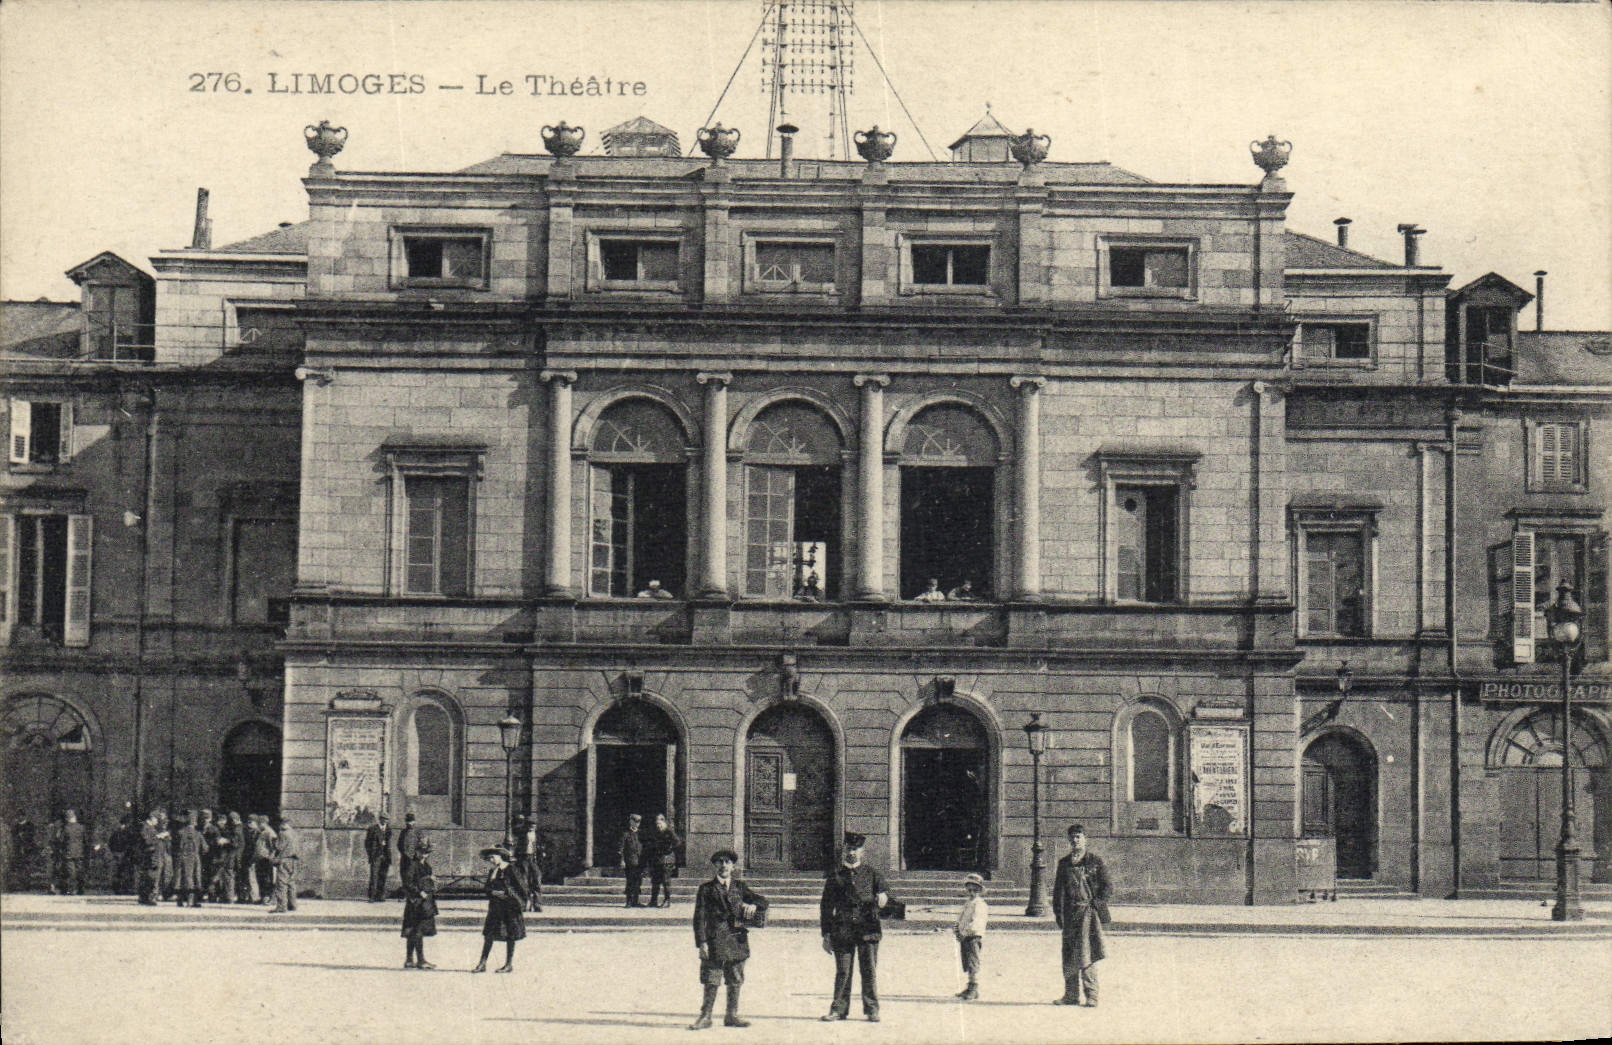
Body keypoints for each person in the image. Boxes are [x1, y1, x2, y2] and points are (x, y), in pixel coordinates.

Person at [689, 849, 769, 1030]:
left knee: (735, 977)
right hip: (714, 940)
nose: (724, 865)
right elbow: (699, 918)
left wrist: (753, 905)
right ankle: (706, 1016)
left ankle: (732, 1015)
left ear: (733, 866)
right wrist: (702, 943)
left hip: (736, 940)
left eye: (727, 862)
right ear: (715, 866)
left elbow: (763, 901)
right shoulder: (706, 889)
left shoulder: (740, 887)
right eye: (720, 862)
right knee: (711, 978)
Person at [819, 832, 889, 1022]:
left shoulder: (872, 874)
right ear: (844, 851)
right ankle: (838, 1009)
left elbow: (885, 895)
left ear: (862, 851)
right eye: (849, 849)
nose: (852, 853)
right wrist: (826, 934)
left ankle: (872, 1009)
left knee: (869, 970)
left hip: (867, 930)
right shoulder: (835, 877)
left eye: (856, 849)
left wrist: (883, 896)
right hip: (843, 930)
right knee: (843, 971)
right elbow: (826, 908)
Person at [1051, 823, 1111, 1007]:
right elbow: (1058, 891)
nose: (1075, 840)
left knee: (1087, 953)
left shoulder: (1095, 861)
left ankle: (1092, 995)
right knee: (1069, 953)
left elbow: (1107, 887)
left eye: (1079, 837)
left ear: (1085, 839)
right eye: (1072, 837)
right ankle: (1071, 995)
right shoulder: (1064, 863)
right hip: (1070, 913)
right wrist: (1058, 913)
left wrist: (1095, 905)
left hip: (1087, 913)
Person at [472, 844, 527, 973]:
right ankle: (482, 963)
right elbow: (487, 887)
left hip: (509, 908)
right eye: (489, 858)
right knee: (489, 935)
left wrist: (507, 894)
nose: (491, 860)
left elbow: (522, 888)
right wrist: (492, 892)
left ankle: (508, 964)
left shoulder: (511, 869)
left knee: (510, 935)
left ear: (500, 856)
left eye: (492, 857)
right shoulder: (493, 871)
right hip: (495, 908)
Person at [401, 839, 439, 970]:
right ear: (417, 852)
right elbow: (408, 883)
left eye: (426, 853)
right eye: (422, 852)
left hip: (424, 902)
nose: (424, 855)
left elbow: (424, 879)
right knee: (417, 930)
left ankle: (409, 960)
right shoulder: (413, 865)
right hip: (416, 902)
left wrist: (431, 879)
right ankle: (421, 961)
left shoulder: (426, 866)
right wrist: (419, 892)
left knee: (413, 930)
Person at [953, 873, 989, 1000]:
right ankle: (970, 986)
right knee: (967, 962)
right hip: (965, 936)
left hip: (973, 937)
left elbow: (976, 923)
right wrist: (957, 929)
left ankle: (974, 988)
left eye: (975, 890)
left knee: (973, 962)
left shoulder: (980, 905)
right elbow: (961, 918)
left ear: (980, 890)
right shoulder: (968, 903)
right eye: (969, 890)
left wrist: (965, 932)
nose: (972, 892)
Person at [646, 812, 681, 908]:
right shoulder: (656, 832)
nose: (658, 825)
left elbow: (677, 842)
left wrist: (669, 849)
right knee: (655, 881)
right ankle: (653, 901)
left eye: (660, 823)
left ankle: (667, 900)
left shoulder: (669, 831)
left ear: (664, 822)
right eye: (657, 823)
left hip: (667, 860)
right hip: (657, 860)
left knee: (666, 881)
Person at [174, 809, 207, 907]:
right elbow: (205, 848)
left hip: (181, 857)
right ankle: (191, 901)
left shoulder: (180, 833)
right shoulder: (198, 834)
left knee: (180, 877)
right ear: (195, 821)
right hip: (194, 857)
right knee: (194, 878)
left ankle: (180, 900)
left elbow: (175, 846)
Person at [513, 817, 544, 912]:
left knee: (537, 880)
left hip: (533, 859)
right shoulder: (522, 833)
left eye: (533, 826)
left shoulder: (538, 835)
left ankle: (537, 904)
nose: (532, 827)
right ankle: (523, 904)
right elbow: (515, 832)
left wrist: (541, 853)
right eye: (530, 825)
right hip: (523, 858)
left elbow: (541, 846)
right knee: (523, 881)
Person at [269, 815, 299, 913]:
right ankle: (292, 904)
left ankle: (281, 906)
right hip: (293, 860)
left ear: (283, 824)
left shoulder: (283, 833)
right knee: (291, 883)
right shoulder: (294, 833)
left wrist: (274, 842)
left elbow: (279, 847)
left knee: (281, 884)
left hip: (284, 860)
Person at [56, 809, 87, 896]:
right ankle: (81, 889)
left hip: (68, 853)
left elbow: (60, 840)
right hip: (79, 853)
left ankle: (71, 890)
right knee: (79, 871)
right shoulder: (81, 828)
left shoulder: (65, 828)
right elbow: (85, 840)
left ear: (67, 818)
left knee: (70, 872)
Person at [214, 811, 243, 904]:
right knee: (231, 876)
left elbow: (234, 843)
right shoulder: (240, 828)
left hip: (233, 856)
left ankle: (229, 897)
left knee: (229, 875)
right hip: (237, 856)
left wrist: (225, 841)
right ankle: (230, 896)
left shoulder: (236, 829)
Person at [618, 813, 645, 908]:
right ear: (631, 821)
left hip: (640, 862)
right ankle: (629, 901)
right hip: (629, 861)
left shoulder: (641, 834)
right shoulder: (626, 834)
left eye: (639, 822)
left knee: (638, 882)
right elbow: (621, 849)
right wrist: (622, 861)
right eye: (635, 821)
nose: (637, 823)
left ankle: (636, 901)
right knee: (630, 881)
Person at [365, 815, 392, 903]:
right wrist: (371, 854)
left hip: (386, 856)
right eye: (383, 819)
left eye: (386, 819)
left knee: (383, 876)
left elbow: (389, 844)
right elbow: (367, 843)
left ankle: (380, 896)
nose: (385, 821)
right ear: (380, 819)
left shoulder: (388, 829)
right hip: (376, 856)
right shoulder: (373, 829)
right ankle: (372, 896)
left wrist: (389, 856)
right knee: (374, 876)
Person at [137, 811, 162, 905]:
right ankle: (150, 897)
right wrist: (158, 837)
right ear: (152, 818)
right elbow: (147, 841)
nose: (157, 822)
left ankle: (144, 897)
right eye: (157, 819)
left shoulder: (149, 828)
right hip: (150, 857)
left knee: (147, 877)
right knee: (152, 877)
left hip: (150, 856)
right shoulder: (146, 828)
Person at [253, 814, 278, 904]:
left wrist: (270, 856)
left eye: (259, 823)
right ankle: (263, 896)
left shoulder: (269, 832)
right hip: (260, 858)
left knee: (266, 878)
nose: (258, 825)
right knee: (260, 878)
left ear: (263, 823)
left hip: (265, 859)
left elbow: (274, 846)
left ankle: (268, 897)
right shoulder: (262, 832)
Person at [397, 812, 423, 894]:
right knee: (403, 876)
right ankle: (406, 894)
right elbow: (399, 844)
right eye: (408, 821)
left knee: (411, 877)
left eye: (411, 821)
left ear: (414, 821)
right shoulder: (403, 832)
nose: (409, 823)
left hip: (413, 859)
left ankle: (414, 894)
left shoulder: (418, 832)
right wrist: (403, 853)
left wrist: (416, 853)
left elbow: (423, 844)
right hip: (404, 858)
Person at [199, 809, 220, 898]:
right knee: (202, 874)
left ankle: (212, 894)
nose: (205, 820)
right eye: (203, 818)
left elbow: (217, 842)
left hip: (210, 855)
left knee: (211, 875)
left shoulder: (214, 829)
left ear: (210, 818)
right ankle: (202, 893)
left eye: (207, 818)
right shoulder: (199, 828)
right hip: (201, 855)